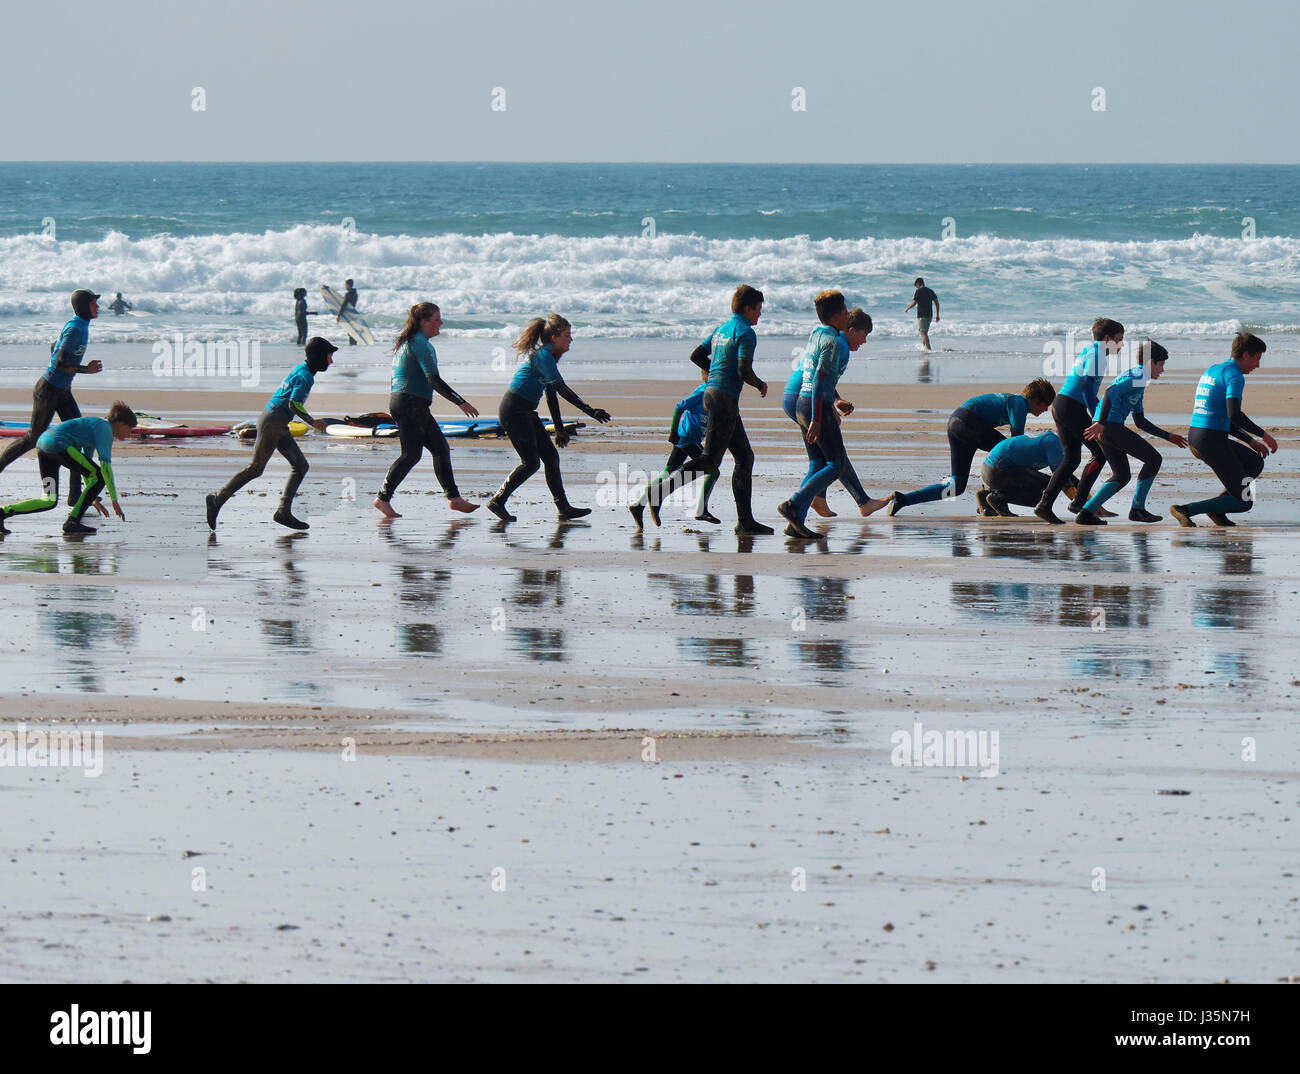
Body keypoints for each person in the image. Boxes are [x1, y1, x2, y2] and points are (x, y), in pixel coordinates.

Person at [630, 284, 773, 534]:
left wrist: (717, 371)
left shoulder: (721, 330)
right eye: (758, 309)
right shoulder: (746, 333)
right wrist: (760, 384)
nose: (759, 315)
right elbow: (743, 371)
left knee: (744, 457)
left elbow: (696, 355)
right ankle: (655, 494)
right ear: (749, 308)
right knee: (709, 461)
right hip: (724, 400)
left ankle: (745, 522)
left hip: (713, 395)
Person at [485, 314, 612, 523]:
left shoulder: (548, 357)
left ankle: (563, 508)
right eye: (567, 335)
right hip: (514, 411)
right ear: (554, 337)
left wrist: (560, 429)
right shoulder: (544, 357)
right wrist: (591, 411)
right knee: (531, 463)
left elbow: (551, 394)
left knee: (551, 458)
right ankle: (498, 500)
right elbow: (562, 389)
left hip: (525, 412)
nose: (571, 339)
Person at [206, 337, 336, 531]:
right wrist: (313, 422)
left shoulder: (303, 370)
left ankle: (283, 511)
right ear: (318, 357)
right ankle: (216, 500)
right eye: (328, 356)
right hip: (272, 422)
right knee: (255, 468)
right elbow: (294, 403)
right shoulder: (306, 376)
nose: (331, 361)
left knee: (300, 466)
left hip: (278, 422)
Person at [777, 291, 873, 539]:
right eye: (844, 312)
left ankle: (796, 519)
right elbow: (819, 380)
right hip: (810, 401)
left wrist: (833, 402)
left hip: (803, 400)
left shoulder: (817, 334)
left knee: (820, 462)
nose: (847, 315)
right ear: (840, 316)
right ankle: (794, 503)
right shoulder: (833, 343)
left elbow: (821, 377)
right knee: (836, 463)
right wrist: (819, 417)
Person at [888, 378, 1057, 516]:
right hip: (969, 422)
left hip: (956, 423)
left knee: (957, 486)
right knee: (1005, 455)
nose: (1046, 410)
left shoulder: (1015, 402)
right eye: (1045, 405)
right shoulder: (1019, 403)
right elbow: (1017, 445)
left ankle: (903, 499)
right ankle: (992, 498)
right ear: (1035, 399)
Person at [373, 302, 480, 518]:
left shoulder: (410, 342)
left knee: (440, 449)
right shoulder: (419, 344)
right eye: (436, 319)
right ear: (423, 322)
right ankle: (382, 498)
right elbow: (433, 380)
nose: (440, 323)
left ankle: (454, 499)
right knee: (411, 454)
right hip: (409, 403)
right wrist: (460, 401)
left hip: (409, 403)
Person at [0, 288, 103, 507]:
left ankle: (75, 494)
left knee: (80, 436)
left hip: (62, 392)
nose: (98, 307)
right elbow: (59, 363)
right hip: (48, 392)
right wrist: (87, 370)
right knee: (32, 438)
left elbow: (53, 348)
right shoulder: (76, 328)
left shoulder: (79, 326)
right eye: (94, 303)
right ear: (85, 307)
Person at [1170, 333, 1278, 528]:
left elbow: (1223, 417)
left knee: (1254, 462)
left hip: (1201, 436)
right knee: (1244, 502)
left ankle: (1218, 509)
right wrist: (1264, 435)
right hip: (1210, 441)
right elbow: (1234, 414)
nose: (1258, 365)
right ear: (1246, 355)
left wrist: (1251, 441)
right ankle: (1186, 509)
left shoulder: (1213, 370)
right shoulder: (1234, 375)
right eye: (1257, 358)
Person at [1075, 340, 1188, 525]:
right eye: (1161, 365)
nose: (1162, 370)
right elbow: (1110, 392)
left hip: (1105, 426)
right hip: (1108, 426)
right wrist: (1102, 423)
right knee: (1154, 459)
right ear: (1151, 362)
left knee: (1122, 475)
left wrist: (1168, 436)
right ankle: (1137, 509)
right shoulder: (1139, 376)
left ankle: (1086, 513)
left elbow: (1139, 421)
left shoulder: (1140, 381)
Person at [1035, 317, 1124, 524]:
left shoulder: (1092, 350)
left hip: (1062, 405)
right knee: (1100, 453)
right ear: (1107, 338)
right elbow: (1087, 389)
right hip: (1071, 407)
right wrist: (1098, 419)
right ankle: (1080, 502)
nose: (1121, 345)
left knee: (1071, 459)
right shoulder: (1098, 354)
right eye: (1119, 340)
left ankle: (1045, 505)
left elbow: (1087, 390)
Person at [1, 402, 136, 536]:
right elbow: (105, 467)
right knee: (101, 476)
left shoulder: (96, 426)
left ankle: (3, 512)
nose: (129, 434)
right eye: (130, 430)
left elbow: (86, 471)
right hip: (58, 444)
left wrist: (92, 498)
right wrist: (114, 500)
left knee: (49, 500)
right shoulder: (105, 429)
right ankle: (72, 522)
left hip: (43, 445)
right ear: (121, 424)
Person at [654, 369, 720, 523]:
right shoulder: (703, 391)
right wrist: (673, 432)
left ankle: (640, 503)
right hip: (687, 438)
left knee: (667, 472)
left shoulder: (716, 393)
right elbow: (679, 407)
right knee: (713, 470)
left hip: (691, 438)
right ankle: (700, 510)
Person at [980, 431, 1080, 516]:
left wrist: (1086, 497)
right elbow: (1061, 478)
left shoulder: (1053, 440)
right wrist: (1080, 505)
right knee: (1048, 489)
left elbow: (1067, 475)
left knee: (1046, 488)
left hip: (990, 470)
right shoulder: (1054, 443)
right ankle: (997, 498)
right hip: (997, 470)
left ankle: (986, 496)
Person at [904, 277, 939, 351]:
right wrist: (937, 314)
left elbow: (914, 302)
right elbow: (936, 302)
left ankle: (929, 350)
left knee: (923, 333)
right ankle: (924, 349)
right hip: (930, 314)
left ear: (918, 283)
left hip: (922, 314)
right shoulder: (930, 291)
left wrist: (907, 308)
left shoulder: (918, 291)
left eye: (916, 285)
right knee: (925, 333)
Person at [338, 279, 359, 345]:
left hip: (348, 314)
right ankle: (354, 345)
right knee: (352, 330)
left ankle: (352, 346)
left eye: (345, 284)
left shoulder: (348, 294)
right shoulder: (355, 293)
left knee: (350, 331)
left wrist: (339, 315)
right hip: (353, 314)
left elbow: (344, 305)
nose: (345, 286)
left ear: (348, 285)